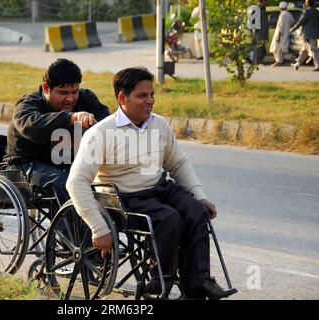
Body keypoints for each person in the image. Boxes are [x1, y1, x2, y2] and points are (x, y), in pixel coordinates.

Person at [66, 67, 237, 300]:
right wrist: (99, 228)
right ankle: (161, 278)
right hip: (125, 197)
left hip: (159, 188)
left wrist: (200, 196)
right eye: (142, 96)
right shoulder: (101, 133)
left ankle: (199, 283)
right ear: (122, 98)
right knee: (169, 219)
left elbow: (178, 164)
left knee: (196, 211)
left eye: (152, 95)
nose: (150, 101)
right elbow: (76, 182)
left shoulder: (159, 125)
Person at [4, 58, 110, 207]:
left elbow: (107, 124)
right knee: (68, 183)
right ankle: (72, 230)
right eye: (63, 93)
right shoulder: (27, 105)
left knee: (107, 179)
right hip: (28, 164)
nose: (70, 99)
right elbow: (32, 126)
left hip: (67, 162)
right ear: (46, 88)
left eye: (74, 92)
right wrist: (71, 118)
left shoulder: (87, 99)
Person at [290, 0, 319, 71]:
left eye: (305, 2)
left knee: (313, 49)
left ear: (308, 3)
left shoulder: (307, 11)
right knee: (304, 50)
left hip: (308, 34)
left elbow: (300, 22)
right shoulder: (316, 11)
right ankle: (297, 64)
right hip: (314, 34)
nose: (305, 3)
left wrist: (292, 29)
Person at [269, 2, 296, 67]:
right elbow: (293, 23)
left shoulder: (282, 15)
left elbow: (280, 27)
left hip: (280, 35)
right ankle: (279, 61)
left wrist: (278, 37)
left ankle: (279, 61)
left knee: (275, 49)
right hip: (286, 34)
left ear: (280, 8)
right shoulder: (289, 14)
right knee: (280, 49)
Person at [252, 0, 269, 64]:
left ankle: (259, 60)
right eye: (265, 1)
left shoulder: (263, 8)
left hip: (264, 31)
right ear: (262, 1)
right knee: (259, 47)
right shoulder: (256, 8)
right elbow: (252, 21)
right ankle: (258, 61)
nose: (266, 3)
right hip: (259, 32)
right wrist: (255, 29)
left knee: (262, 47)